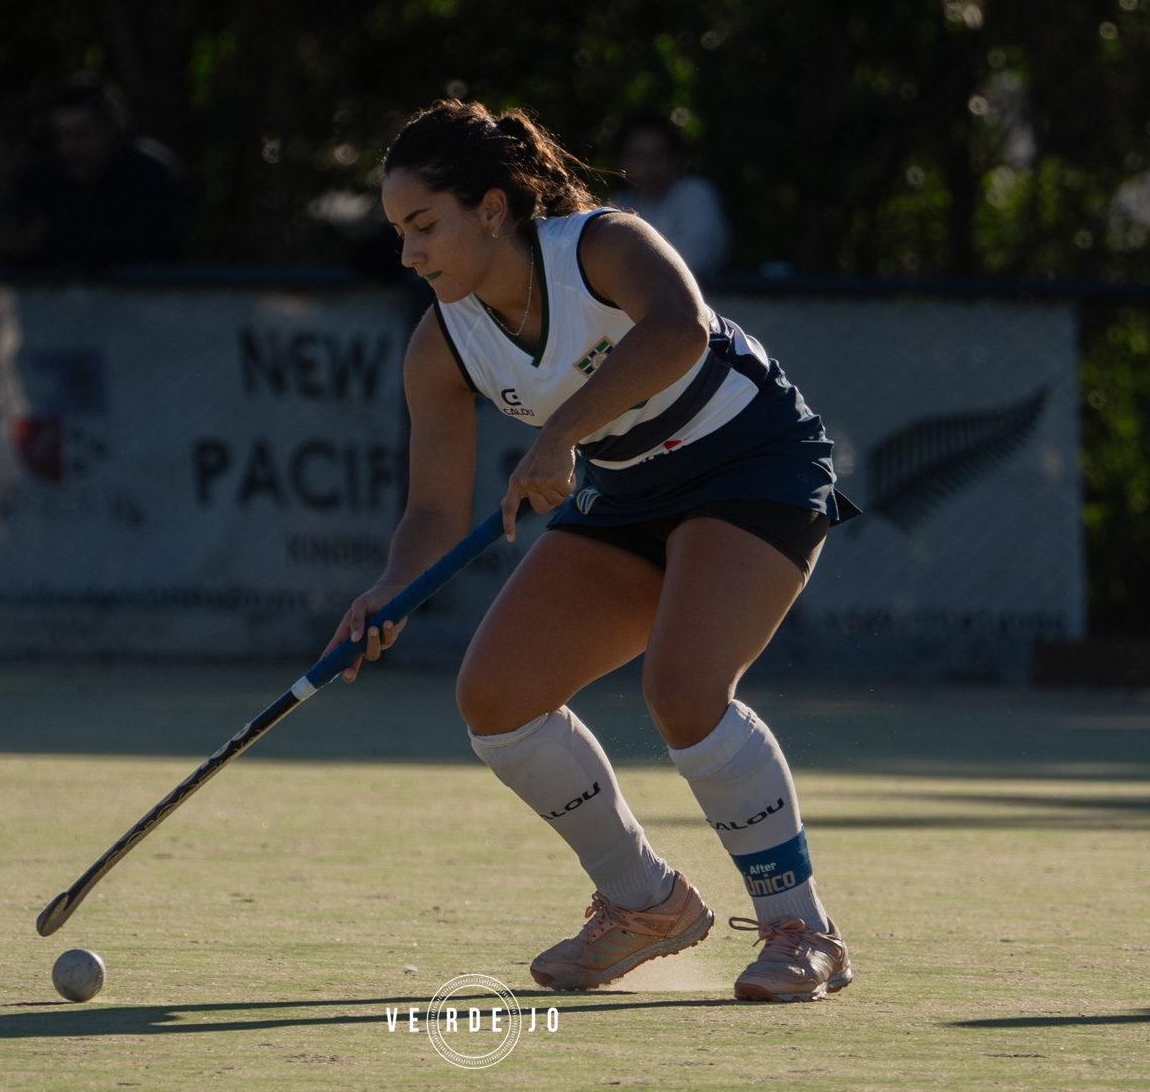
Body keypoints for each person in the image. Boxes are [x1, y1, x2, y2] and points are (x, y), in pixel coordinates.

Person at [324, 100, 859, 1001]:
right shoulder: (441, 343)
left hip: (755, 461)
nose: (409, 255)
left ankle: (801, 928)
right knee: (496, 697)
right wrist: (390, 587)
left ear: (492, 208)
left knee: (684, 691)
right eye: (399, 234)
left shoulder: (601, 245)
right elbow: (431, 512)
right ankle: (645, 903)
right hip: (631, 492)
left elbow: (679, 329)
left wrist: (562, 433)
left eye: (425, 227)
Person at [0, 79, 187, 267]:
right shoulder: (43, 173)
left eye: (80, 134)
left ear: (112, 130)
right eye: (59, 136)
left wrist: (50, 241)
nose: (68, 148)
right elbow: (4, 232)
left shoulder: (151, 174)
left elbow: (148, 246)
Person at [608, 111, 730, 280]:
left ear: (675, 158)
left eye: (657, 155)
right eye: (636, 155)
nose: (647, 166)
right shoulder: (618, 202)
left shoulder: (696, 194)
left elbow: (695, 259)